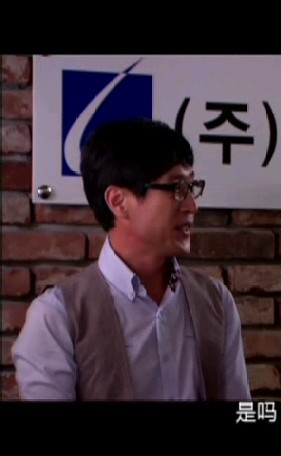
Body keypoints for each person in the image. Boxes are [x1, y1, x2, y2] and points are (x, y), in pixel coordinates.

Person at [12, 118, 251, 401]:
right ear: (118, 201)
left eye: (192, 187)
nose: (192, 205)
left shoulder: (217, 302)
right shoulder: (56, 317)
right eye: (177, 188)